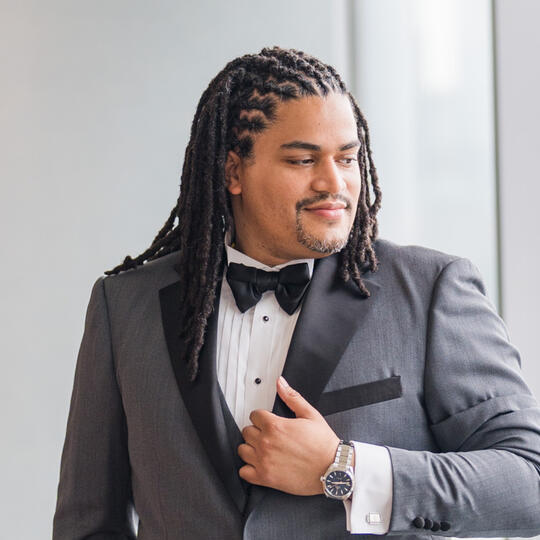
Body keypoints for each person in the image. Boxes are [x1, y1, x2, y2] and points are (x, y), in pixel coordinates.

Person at [52, 46, 540, 540]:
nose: (335, 183)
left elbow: (529, 484)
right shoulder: (124, 306)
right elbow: (88, 523)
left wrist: (344, 468)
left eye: (347, 158)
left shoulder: (431, 290)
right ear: (233, 171)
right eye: (303, 159)